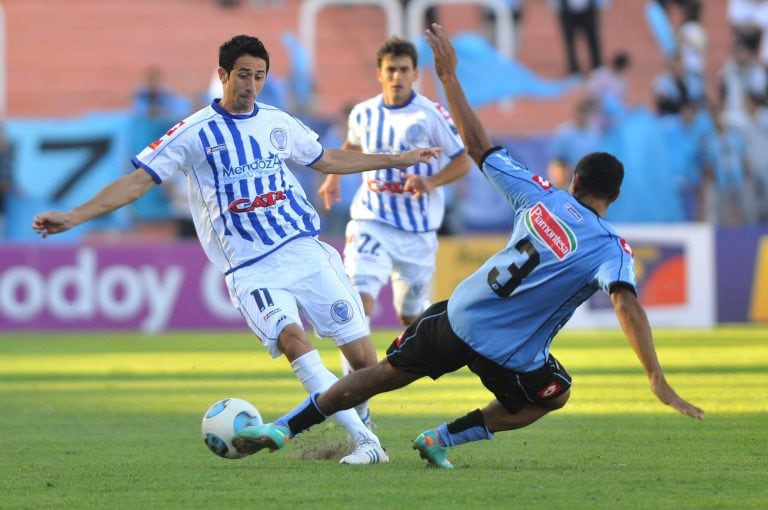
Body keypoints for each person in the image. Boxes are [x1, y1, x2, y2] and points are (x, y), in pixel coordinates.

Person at [232, 24, 704, 468]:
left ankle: (284, 427)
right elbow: (625, 303)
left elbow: (477, 146)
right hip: (511, 353)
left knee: (375, 378)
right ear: (614, 197)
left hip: (459, 315)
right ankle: (444, 437)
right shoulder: (610, 248)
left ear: (575, 180)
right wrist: (655, 377)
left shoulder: (540, 195)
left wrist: (449, 76)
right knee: (554, 393)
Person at [32, 34, 439, 465]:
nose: (251, 85)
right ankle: (365, 443)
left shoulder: (275, 122)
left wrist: (395, 160)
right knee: (293, 340)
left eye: (259, 76)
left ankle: (364, 424)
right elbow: (138, 181)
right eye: (243, 75)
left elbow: (326, 159)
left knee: (362, 359)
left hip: (304, 250)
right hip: (250, 268)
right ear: (223, 75)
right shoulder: (193, 132)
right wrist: (74, 216)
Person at [317, 36, 472, 339]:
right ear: (379, 74)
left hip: (418, 232)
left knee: (410, 314)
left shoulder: (430, 114)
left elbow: (463, 161)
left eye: (403, 70)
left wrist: (430, 182)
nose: (397, 77)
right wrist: (333, 176)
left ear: (416, 74)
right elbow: (353, 143)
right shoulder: (363, 113)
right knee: (359, 302)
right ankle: (356, 381)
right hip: (371, 221)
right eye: (390, 70)